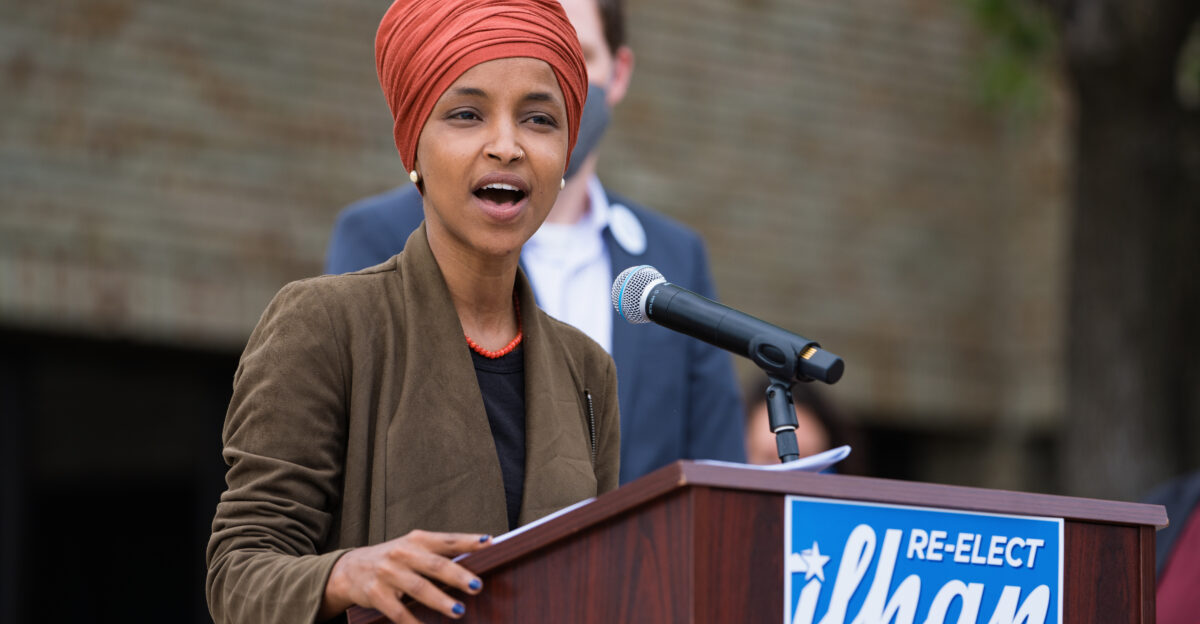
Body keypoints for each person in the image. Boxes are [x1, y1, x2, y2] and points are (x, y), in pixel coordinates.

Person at [205, 2, 619, 623]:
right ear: (413, 149)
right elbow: (239, 572)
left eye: (539, 119)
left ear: (564, 156)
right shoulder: (323, 324)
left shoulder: (588, 372)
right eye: (466, 114)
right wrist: (346, 573)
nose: (506, 146)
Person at [325, 0, 746, 484]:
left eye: (577, 56)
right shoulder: (376, 235)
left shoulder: (676, 258)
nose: (550, 76)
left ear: (620, 72)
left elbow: (719, 468)